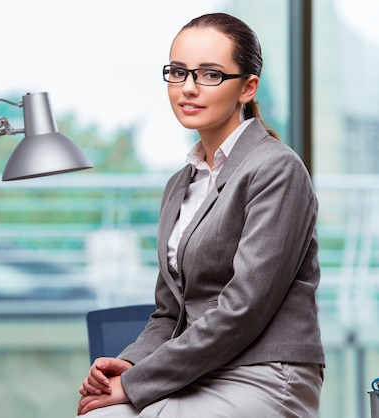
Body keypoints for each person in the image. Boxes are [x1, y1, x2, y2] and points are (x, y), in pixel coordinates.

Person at [76, 12, 325, 418]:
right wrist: (130, 363)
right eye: (178, 72)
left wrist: (137, 383)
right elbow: (170, 312)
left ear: (248, 88)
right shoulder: (180, 183)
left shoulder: (277, 169)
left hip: (265, 373)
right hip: (197, 372)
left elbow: (244, 308)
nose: (188, 88)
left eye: (210, 75)